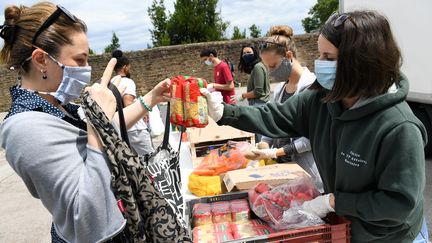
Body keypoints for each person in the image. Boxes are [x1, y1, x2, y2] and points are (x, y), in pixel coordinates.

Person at [201, 11, 429, 242]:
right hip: (349, 231)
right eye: (320, 55)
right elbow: (274, 115)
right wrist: (225, 112)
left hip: (394, 237)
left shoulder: (399, 127)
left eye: (329, 57)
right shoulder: (323, 99)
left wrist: (334, 201)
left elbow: (397, 205)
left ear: (360, 62)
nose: (320, 64)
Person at [0, 3, 170, 242]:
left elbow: (108, 130)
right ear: (41, 60)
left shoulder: (59, 105)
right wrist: (96, 121)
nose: (86, 70)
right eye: (80, 60)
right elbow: (90, 218)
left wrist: (151, 98)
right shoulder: (24, 129)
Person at [254, 26, 323, 192]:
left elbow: (313, 138)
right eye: (267, 67)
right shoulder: (280, 89)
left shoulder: (313, 87)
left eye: (273, 65)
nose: (270, 72)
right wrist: (264, 142)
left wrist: (277, 152)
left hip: (309, 171)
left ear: (289, 56)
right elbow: (274, 120)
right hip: (286, 171)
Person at [111, 49, 154, 156]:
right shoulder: (128, 82)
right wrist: (143, 106)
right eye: (129, 67)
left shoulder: (111, 82)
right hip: (135, 129)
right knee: (152, 159)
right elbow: (128, 104)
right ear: (125, 67)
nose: (130, 69)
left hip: (121, 128)